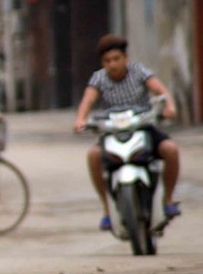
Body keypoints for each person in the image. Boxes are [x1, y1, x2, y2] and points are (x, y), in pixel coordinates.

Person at [73, 34, 180, 231]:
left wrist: (169, 106)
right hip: (112, 132)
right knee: (93, 155)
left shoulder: (139, 72)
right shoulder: (99, 78)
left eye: (116, 59)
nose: (112, 65)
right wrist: (81, 119)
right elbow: (87, 100)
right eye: (107, 61)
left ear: (126, 58)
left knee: (170, 149)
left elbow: (160, 91)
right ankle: (107, 210)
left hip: (143, 129)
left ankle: (168, 200)